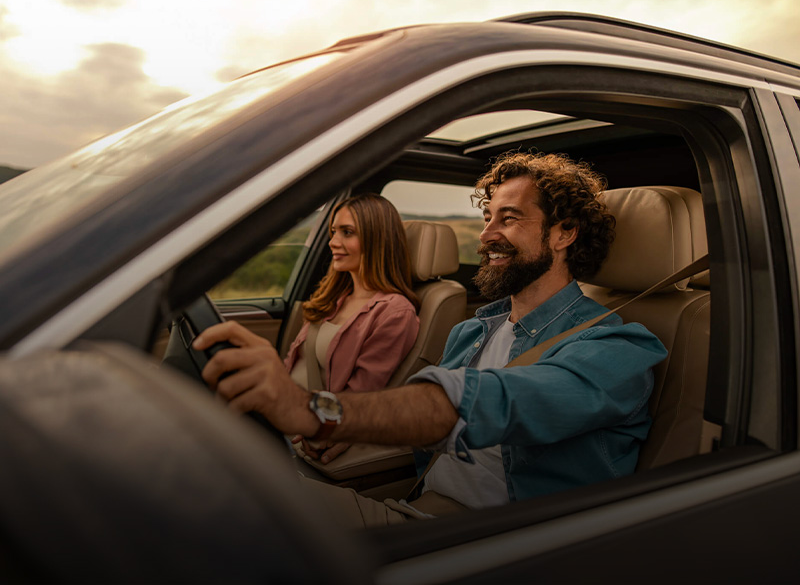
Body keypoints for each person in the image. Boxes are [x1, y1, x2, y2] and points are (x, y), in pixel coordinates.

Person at [194, 152, 668, 526]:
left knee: (227, 500)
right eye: (487, 218)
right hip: (419, 507)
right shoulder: (472, 329)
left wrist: (311, 409)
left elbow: (490, 402)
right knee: (215, 482)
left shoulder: (618, 348)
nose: (486, 235)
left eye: (508, 218)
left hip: (495, 540)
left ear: (564, 233)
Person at [284, 193, 420, 463]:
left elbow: (359, 396)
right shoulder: (334, 296)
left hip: (300, 430)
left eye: (347, 232)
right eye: (334, 231)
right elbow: (293, 361)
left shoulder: (394, 313)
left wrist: (319, 427)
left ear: (376, 239)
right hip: (281, 411)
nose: (333, 242)